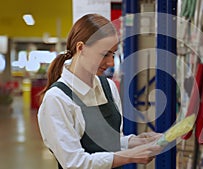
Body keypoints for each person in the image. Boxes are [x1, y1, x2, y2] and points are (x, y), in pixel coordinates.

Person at [37, 13, 162, 169]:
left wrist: (134, 142)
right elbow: (75, 162)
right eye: (104, 54)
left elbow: (108, 142)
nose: (110, 62)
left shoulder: (108, 87)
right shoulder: (57, 99)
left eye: (113, 54)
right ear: (81, 48)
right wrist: (129, 156)